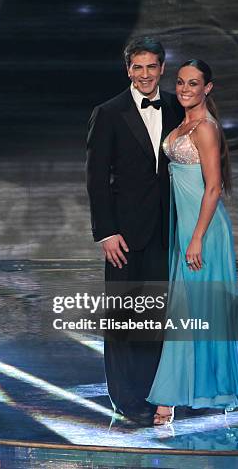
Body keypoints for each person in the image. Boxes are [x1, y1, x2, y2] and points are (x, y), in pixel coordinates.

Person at [146, 59, 238, 425]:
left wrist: (196, 238)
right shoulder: (183, 124)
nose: (184, 89)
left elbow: (213, 187)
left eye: (193, 84)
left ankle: (169, 400)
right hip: (186, 229)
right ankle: (199, 390)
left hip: (204, 232)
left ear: (208, 88)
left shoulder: (206, 129)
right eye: (180, 82)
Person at [86, 36, 184, 424]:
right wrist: (105, 231)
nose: (144, 74)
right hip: (124, 235)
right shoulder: (108, 112)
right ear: (128, 70)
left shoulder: (178, 107)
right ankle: (126, 398)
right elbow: (96, 178)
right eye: (137, 67)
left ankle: (156, 391)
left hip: (167, 230)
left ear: (162, 68)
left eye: (152, 67)